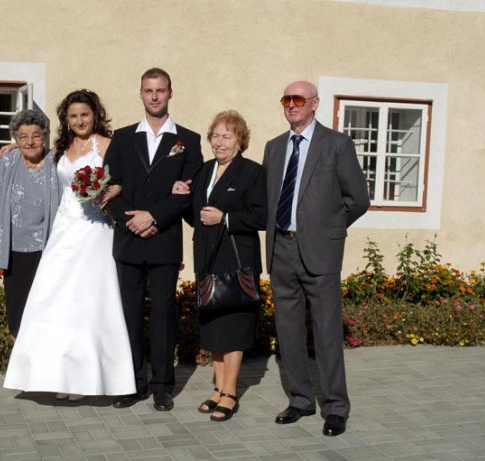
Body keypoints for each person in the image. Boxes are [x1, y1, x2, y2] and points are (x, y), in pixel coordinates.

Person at [2, 90, 135, 399]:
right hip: (63, 229)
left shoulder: (109, 145)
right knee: (54, 299)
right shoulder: (61, 148)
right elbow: (34, 154)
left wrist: (112, 191)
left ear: (95, 115)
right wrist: (13, 146)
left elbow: (124, 179)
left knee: (87, 302)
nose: (79, 121)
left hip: (94, 230)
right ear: (66, 119)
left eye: (84, 114)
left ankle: (88, 378)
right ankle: (59, 376)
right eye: (73, 116)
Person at [263, 81, 370, 436]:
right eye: (286, 99)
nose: (291, 105)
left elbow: (358, 199)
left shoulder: (337, 144)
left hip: (320, 251)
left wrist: (327, 229)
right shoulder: (274, 147)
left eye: (298, 99)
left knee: (326, 331)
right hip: (281, 249)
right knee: (288, 330)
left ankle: (336, 407)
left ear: (314, 104)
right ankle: (300, 400)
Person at [104, 68, 203, 411]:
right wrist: (131, 220)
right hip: (128, 240)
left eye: (161, 90)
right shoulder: (122, 138)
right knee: (129, 316)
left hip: (164, 240)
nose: (155, 96)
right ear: (141, 94)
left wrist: (155, 217)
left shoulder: (187, 140)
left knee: (162, 316)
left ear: (170, 92)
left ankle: (162, 387)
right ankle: (132, 384)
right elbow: (108, 188)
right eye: (149, 90)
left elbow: (188, 193)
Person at [173, 110, 267, 421]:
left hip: (236, 260)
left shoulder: (252, 172)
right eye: (215, 135)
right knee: (213, 327)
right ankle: (217, 389)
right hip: (207, 257)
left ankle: (230, 392)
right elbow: (197, 216)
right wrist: (181, 197)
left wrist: (226, 218)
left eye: (227, 136)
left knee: (234, 326)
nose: (219, 141)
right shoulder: (204, 171)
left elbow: (262, 216)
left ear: (240, 141)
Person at [0, 110, 60, 341]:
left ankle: (42, 361)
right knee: (17, 315)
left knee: (45, 312)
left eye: (36, 135)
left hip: (47, 249)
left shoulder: (57, 162)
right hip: (13, 249)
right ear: (16, 139)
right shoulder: (7, 161)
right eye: (23, 137)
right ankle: (19, 361)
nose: (30, 142)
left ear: (45, 136)